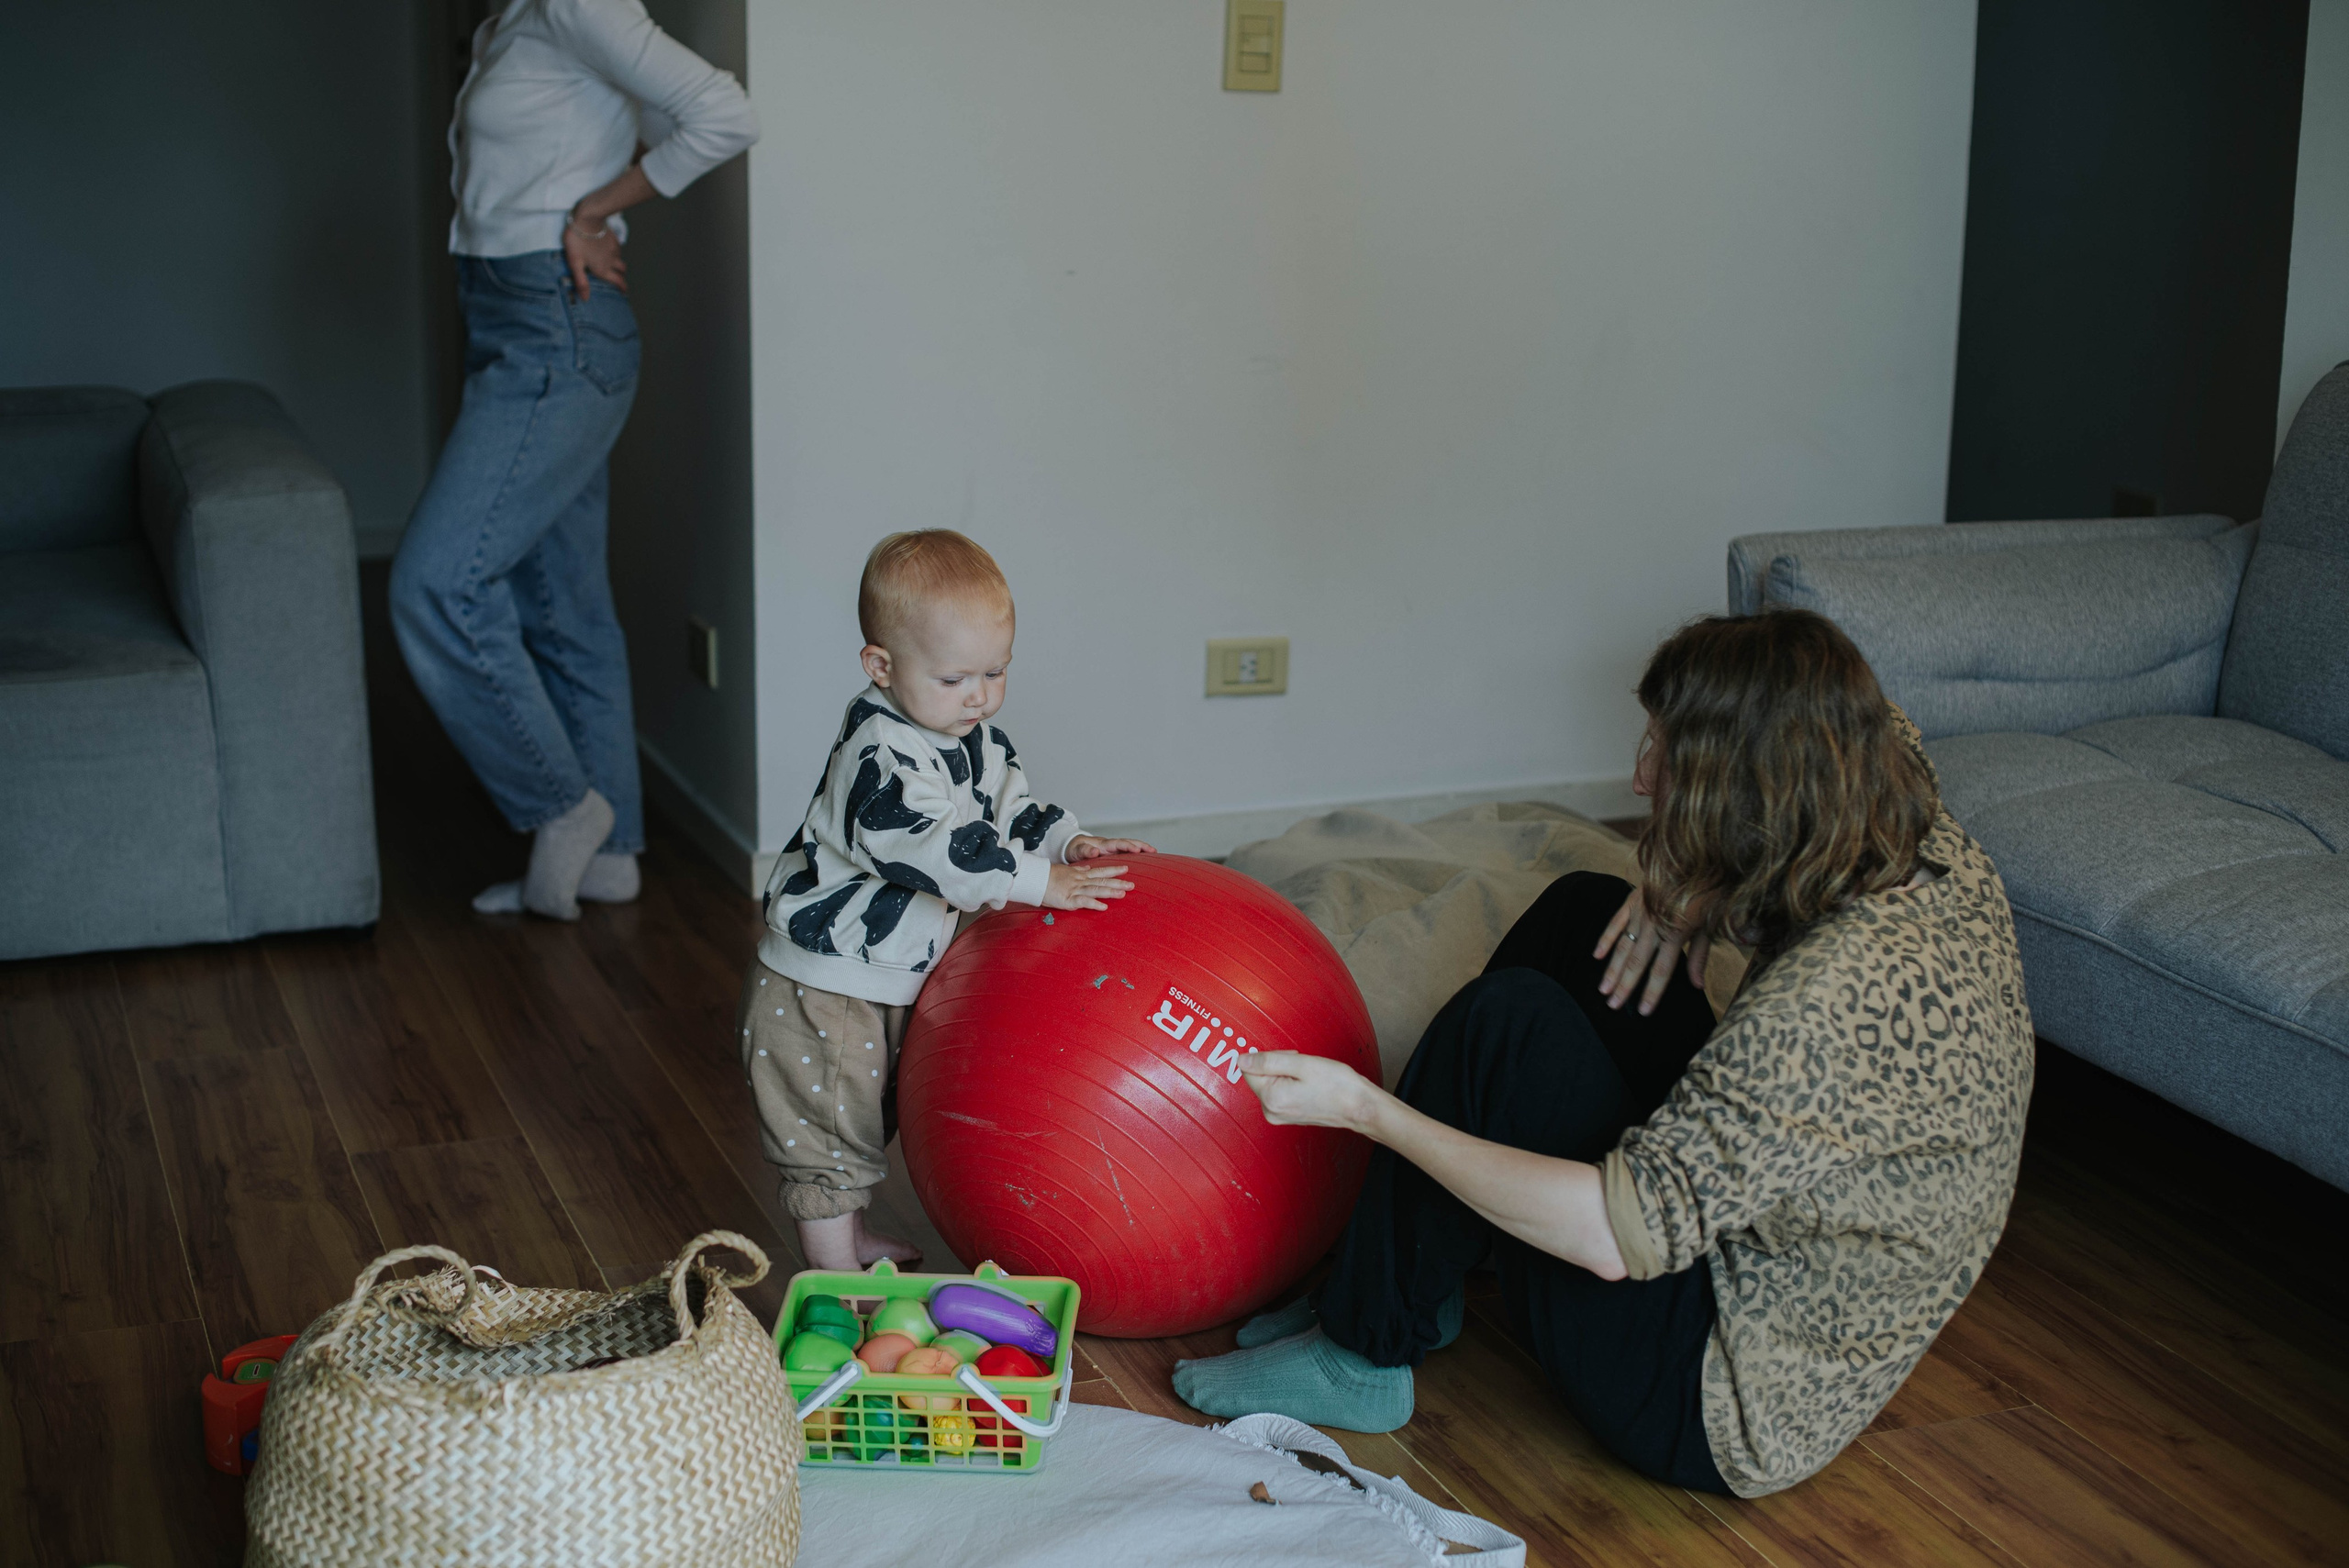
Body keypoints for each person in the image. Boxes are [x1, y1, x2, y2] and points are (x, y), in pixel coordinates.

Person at [1174, 609, 2035, 1499]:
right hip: (1763, 1239)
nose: (1639, 776)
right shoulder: (1891, 789)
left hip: (1716, 1390)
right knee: (1587, 914)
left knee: (1506, 1029)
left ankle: (1360, 1355)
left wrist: (1370, 1110)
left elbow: (1614, 1234)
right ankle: (1409, 1284)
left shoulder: (1823, 1007)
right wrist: (1677, 890)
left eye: (1668, 761)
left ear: (1747, 798)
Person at [391, 0, 759, 919]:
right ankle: (613, 850)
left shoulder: (577, 3)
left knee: (437, 583)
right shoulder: (507, 18)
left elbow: (723, 113)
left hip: (557, 325)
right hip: (509, 313)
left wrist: (596, 208)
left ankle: (564, 805)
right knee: (565, 603)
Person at [740, 530, 1157, 1272]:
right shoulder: (879, 751)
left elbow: (1012, 810)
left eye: (996, 671)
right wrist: (1040, 884)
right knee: (829, 1129)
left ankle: (854, 1239)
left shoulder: (974, 738)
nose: (979, 695)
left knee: (868, 1114)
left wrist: (1069, 844)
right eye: (955, 678)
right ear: (882, 666)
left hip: (893, 974)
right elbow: (938, 850)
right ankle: (836, 1277)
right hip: (827, 981)